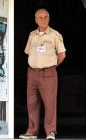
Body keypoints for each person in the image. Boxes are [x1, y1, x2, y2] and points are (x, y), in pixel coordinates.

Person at [19, 9, 66, 140]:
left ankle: (50, 132)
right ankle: (32, 132)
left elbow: (62, 54)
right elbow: (28, 52)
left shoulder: (54, 35)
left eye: (45, 17)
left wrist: (51, 66)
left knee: (49, 103)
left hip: (48, 73)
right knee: (31, 103)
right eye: (40, 17)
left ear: (49, 19)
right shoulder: (32, 35)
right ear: (35, 20)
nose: (43, 19)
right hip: (32, 74)